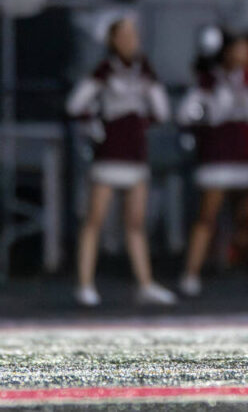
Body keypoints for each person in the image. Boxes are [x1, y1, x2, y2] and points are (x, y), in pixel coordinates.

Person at [66, 16, 176, 306]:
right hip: (109, 156)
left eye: (134, 34)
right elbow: (76, 105)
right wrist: (95, 125)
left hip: (135, 156)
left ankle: (145, 283)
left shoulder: (144, 70)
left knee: (135, 223)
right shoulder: (104, 70)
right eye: (124, 35)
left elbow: (162, 111)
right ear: (112, 40)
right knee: (94, 221)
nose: (131, 40)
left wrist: (141, 122)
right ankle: (85, 284)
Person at [177, 27, 248, 296]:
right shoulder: (207, 83)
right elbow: (187, 114)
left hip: (240, 159)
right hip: (216, 159)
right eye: (241, 48)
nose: (247, 53)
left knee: (243, 220)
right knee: (207, 218)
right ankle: (190, 275)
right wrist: (208, 113)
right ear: (226, 52)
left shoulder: (242, 82)